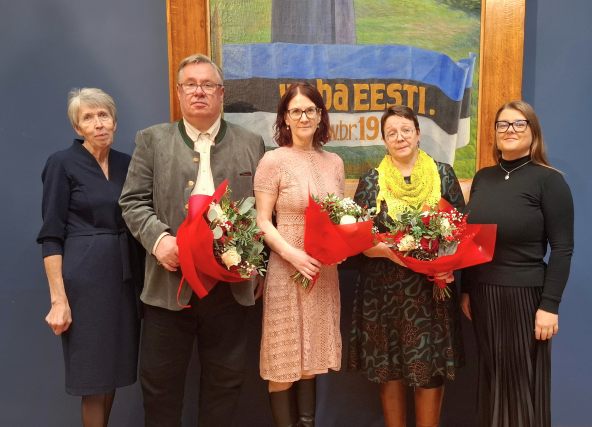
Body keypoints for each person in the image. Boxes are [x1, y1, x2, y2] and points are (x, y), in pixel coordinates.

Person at [118, 53, 264, 427]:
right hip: (168, 287)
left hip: (229, 290)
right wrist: (159, 241)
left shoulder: (252, 143)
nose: (199, 92)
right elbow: (132, 202)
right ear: (180, 92)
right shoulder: (152, 140)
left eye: (207, 85)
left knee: (225, 385)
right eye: (191, 85)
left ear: (221, 93)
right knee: (160, 388)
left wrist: (256, 264)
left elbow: (264, 213)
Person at [347, 105, 464, 427]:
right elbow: (354, 240)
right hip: (383, 295)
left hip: (431, 294)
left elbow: (461, 230)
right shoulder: (371, 181)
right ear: (384, 141)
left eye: (406, 130)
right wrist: (382, 251)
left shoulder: (443, 175)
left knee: (430, 370)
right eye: (392, 133)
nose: (400, 138)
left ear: (418, 134)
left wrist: (450, 263)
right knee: (390, 370)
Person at [460, 100, 574, 427]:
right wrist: (467, 289)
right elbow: (471, 240)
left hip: (525, 298)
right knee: (493, 379)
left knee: (521, 384)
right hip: (483, 295)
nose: (509, 130)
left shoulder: (549, 181)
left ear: (533, 132)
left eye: (519, 123)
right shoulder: (483, 178)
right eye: (503, 124)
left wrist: (549, 305)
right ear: (495, 133)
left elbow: (563, 249)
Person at [37, 88, 143, 427]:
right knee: (93, 379)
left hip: (124, 278)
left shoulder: (128, 163)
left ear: (114, 121)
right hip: (85, 282)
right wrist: (58, 300)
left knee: (111, 372)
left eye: (103, 115)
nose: (98, 123)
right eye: (88, 117)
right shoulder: (61, 163)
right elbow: (51, 235)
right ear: (77, 127)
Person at [254, 82, 345, 427]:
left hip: (323, 272)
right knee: (283, 364)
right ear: (285, 118)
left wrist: (341, 247)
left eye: (310, 110)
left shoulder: (334, 162)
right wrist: (293, 255)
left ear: (320, 115)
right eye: (296, 111)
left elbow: (340, 217)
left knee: (310, 364)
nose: (304, 117)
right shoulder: (273, 161)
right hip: (286, 270)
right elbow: (263, 221)